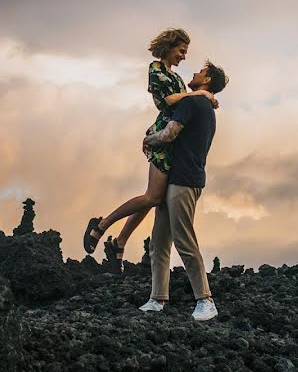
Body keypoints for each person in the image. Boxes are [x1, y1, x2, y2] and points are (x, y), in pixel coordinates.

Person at [83, 28, 218, 264]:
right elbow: (167, 102)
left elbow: (186, 105)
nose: (184, 57)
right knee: (153, 197)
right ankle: (101, 225)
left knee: (154, 198)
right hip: (162, 136)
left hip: (174, 140)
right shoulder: (156, 69)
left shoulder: (177, 78)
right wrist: (202, 95)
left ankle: (120, 242)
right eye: (181, 51)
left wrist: (202, 98)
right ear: (170, 46)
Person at [138, 60, 228, 321]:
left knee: (183, 240)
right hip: (180, 178)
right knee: (159, 242)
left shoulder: (192, 103)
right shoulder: (203, 104)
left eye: (200, 71)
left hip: (184, 180)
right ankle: (157, 298)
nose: (195, 73)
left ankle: (205, 300)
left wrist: (147, 140)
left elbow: (169, 134)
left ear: (207, 79)